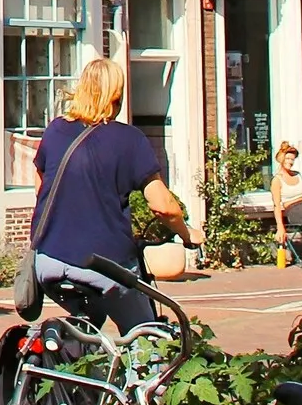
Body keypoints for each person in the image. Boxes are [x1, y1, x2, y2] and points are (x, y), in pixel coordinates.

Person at [29, 58, 188, 323]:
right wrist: (187, 233)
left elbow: (40, 182)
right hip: (103, 266)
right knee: (146, 335)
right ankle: (148, 359)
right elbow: (163, 206)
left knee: (88, 329)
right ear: (117, 95)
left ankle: (70, 356)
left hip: (48, 261)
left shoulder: (56, 129)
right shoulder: (129, 139)